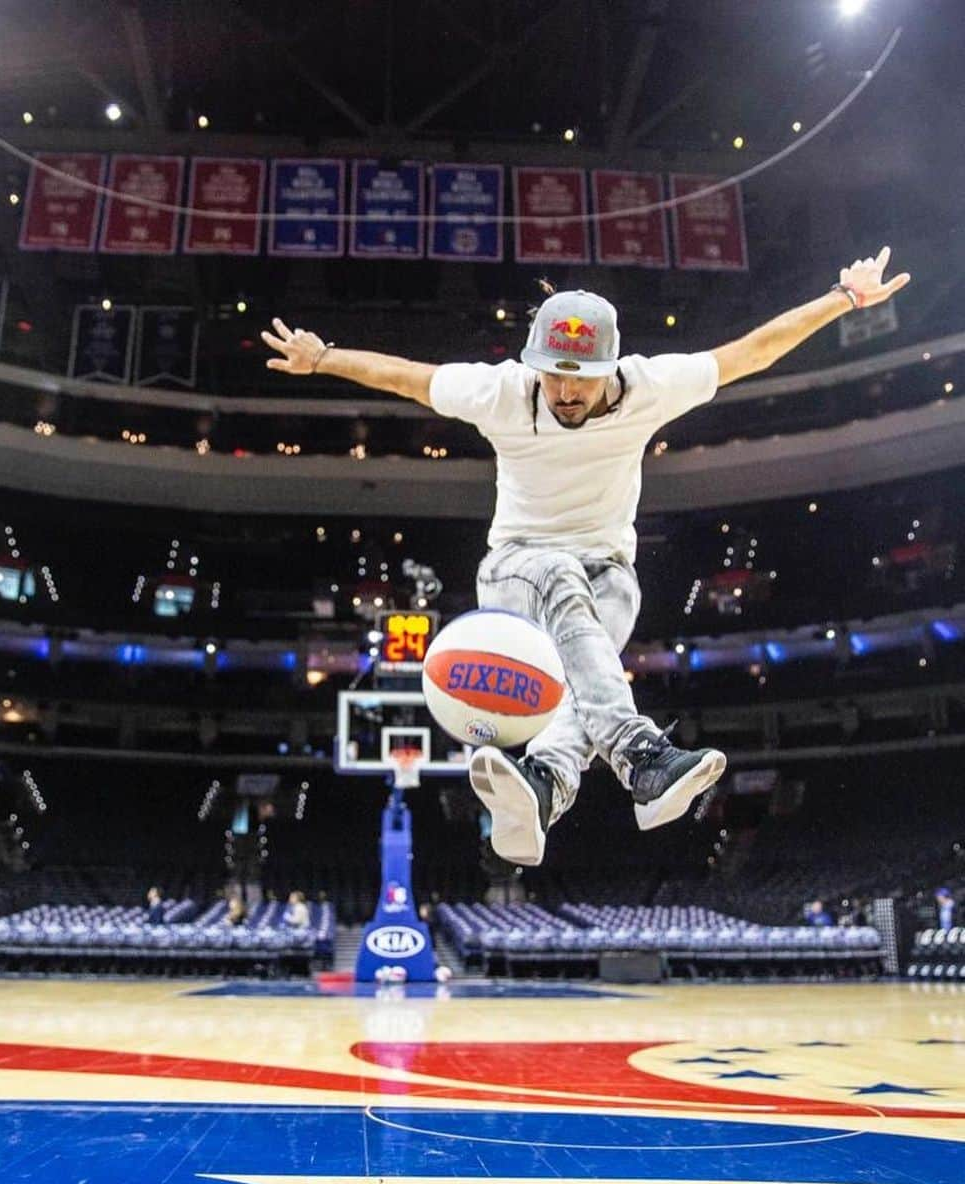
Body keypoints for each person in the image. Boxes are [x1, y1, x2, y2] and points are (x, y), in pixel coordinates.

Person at [263, 248, 909, 865]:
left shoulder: (651, 385)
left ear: (610, 368)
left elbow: (751, 353)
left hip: (608, 569)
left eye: (581, 381)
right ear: (533, 364)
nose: (565, 393)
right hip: (517, 570)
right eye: (553, 377)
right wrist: (322, 359)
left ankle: (546, 784)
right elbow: (407, 377)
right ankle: (643, 757)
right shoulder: (502, 393)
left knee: (591, 663)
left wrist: (843, 298)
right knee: (562, 578)